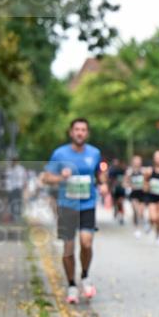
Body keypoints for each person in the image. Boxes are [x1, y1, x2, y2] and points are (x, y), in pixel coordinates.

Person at [42, 118, 106, 304]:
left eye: (83, 130)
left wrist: (103, 183)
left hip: (87, 204)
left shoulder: (94, 153)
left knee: (86, 243)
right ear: (71, 132)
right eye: (77, 129)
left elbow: (100, 173)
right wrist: (60, 177)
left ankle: (85, 275)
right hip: (66, 205)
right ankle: (71, 285)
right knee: (68, 247)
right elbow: (46, 177)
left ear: (87, 133)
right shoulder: (59, 153)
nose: (80, 133)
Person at [125, 155, 147, 236]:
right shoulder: (129, 172)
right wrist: (130, 186)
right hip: (134, 194)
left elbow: (147, 181)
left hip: (142, 194)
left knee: (141, 212)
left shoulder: (144, 171)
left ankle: (143, 222)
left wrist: (145, 186)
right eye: (135, 161)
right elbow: (125, 182)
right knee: (136, 211)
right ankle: (137, 228)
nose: (137, 163)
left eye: (138, 161)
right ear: (133, 162)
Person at [108, 158, 126, 224]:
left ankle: (121, 216)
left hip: (121, 188)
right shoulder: (111, 170)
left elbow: (125, 177)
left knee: (120, 202)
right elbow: (110, 180)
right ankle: (116, 210)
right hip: (114, 189)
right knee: (115, 202)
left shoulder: (122, 169)